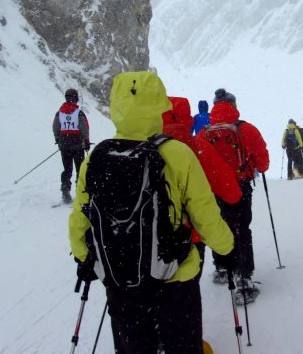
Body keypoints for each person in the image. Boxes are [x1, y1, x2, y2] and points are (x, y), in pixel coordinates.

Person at [69, 71, 237, 354]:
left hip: (121, 282)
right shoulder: (178, 154)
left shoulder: (96, 157)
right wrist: (227, 248)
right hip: (174, 280)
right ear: (160, 105)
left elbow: (80, 219)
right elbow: (205, 216)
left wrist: (85, 258)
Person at [200, 88, 269, 303]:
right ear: (234, 106)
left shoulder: (205, 132)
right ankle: (244, 277)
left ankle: (222, 267)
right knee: (241, 228)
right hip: (240, 187)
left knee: (218, 225)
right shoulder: (246, 129)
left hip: (214, 189)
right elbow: (263, 162)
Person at [162, 96, 242, 276]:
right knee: (186, 285)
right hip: (189, 234)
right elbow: (230, 191)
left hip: (143, 237)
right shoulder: (197, 147)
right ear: (185, 117)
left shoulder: (134, 148)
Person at [52, 88, 90, 204]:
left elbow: (56, 128)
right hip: (78, 145)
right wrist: (87, 142)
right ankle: (80, 194)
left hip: (64, 146)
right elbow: (84, 128)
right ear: (76, 98)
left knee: (67, 169)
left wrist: (58, 139)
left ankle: (65, 192)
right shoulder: (79, 113)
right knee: (80, 169)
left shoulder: (59, 113)